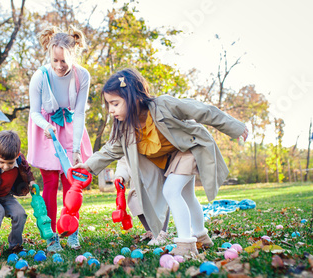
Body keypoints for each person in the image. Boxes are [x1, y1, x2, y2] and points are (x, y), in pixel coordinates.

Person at [75, 68, 248, 256]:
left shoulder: (163, 105)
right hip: (171, 159)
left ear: (133, 97)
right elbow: (109, 150)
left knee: (171, 191)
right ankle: (201, 236)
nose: (111, 110)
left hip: (189, 148)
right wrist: (89, 165)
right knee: (188, 196)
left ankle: (186, 244)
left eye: (115, 103)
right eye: (109, 104)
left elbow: (202, 111)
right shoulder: (126, 128)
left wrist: (235, 127)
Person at [27, 25, 93, 252]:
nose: (58, 66)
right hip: (46, 130)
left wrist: (76, 148)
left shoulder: (82, 76)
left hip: (71, 127)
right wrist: (46, 126)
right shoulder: (40, 76)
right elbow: (34, 112)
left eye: (63, 60)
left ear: (72, 56)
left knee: (71, 184)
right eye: (54, 60)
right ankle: (52, 235)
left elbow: (81, 112)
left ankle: (72, 231)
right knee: (51, 184)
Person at [115, 156, 170, 246]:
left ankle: (161, 232)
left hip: (155, 171)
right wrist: (120, 175)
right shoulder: (123, 144)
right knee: (134, 201)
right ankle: (151, 231)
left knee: (162, 200)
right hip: (137, 179)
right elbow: (123, 161)